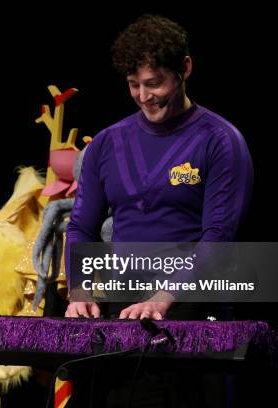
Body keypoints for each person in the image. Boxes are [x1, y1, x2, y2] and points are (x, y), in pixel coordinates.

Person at [65, 14, 253, 320]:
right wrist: (80, 291)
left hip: (193, 313)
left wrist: (163, 298)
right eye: (133, 85)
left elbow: (218, 237)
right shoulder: (105, 144)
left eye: (154, 83)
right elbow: (80, 227)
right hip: (122, 310)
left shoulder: (220, 141)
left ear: (185, 69)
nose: (143, 96)